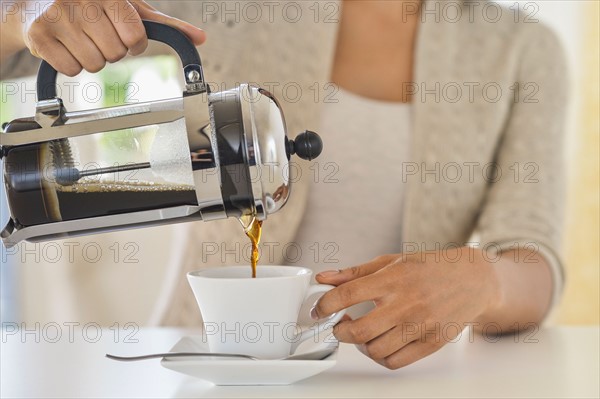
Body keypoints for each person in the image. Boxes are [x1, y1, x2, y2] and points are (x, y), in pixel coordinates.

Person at [0, 0, 567, 369]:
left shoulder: (520, 48)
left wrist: (485, 279)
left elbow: (533, 259)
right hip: (213, 370)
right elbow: (19, 56)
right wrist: (27, 14)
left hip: (393, 380)